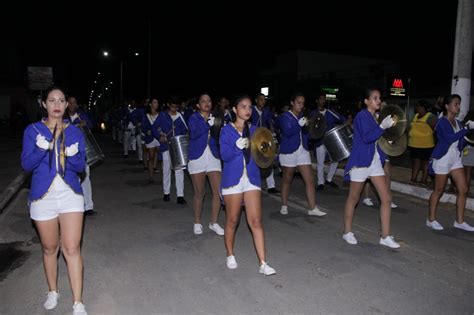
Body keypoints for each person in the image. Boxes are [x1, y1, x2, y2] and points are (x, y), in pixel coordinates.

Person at [21, 86, 88, 314]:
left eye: (61, 100)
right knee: (50, 248)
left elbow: (81, 167)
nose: (57, 104)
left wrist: (72, 156)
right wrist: (41, 149)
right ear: (44, 104)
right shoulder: (32, 130)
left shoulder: (76, 131)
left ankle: (78, 302)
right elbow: (26, 165)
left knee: (72, 248)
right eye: (52, 100)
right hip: (43, 196)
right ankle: (53, 291)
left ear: (66, 104)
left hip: (70, 194)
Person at [220, 94, 276, 275]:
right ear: (235, 110)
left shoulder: (255, 131)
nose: (248, 110)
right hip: (233, 180)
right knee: (232, 220)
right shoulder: (226, 131)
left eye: (250, 107)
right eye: (243, 106)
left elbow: (264, 157)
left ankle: (263, 263)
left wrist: (268, 147)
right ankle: (230, 254)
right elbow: (225, 156)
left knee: (256, 221)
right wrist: (237, 146)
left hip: (251, 178)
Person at [342, 88, 400, 248]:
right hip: (361, 161)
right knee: (354, 198)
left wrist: (387, 138)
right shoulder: (362, 116)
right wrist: (382, 127)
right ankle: (347, 232)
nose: (378, 101)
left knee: (386, 198)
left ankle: (385, 236)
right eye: (375, 98)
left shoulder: (376, 117)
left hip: (374, 162)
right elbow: (367, 137)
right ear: (366, 101)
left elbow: (377, 138)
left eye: (379, 98)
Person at [427, 94, 474, 231]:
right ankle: (431, 219)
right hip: (443, 158)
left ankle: (459, 221)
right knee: (439, 189)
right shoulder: (442, 122)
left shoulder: (458, 122)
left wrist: (470, 134)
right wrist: (467, 129)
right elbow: (449, 139)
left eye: (459, 104)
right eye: (456, 104)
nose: (458, 106)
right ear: (447, 106)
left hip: (455, 158)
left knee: (463, 189)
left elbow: (462, 140)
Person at [277, 92, 326, 216]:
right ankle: (284, 204)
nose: (301, 105)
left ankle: (312, 208)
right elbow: (288, 132)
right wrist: (299, 124)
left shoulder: (304, 117)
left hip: (303, 151)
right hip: (289, 151)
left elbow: (308, 135)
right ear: (292, 103)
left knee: (310, 179)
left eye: (303, 103)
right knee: (287, 179)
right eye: (298, 102)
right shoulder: (285, 116)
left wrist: (313, 129)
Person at [187, 93, 225, 235]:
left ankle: (214, 222)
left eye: (209, 100)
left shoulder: (216, 117)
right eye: (203, 101)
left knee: (218, 192)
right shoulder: (193, 117)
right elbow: (194, 133)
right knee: (199, 192)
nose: (206, 103)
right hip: (197, 157)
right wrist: (206, 124)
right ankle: (197, 222)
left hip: (213, 156)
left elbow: (221, 134)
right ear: (198, 105)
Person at [66, 96, 96, 216]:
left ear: (77, 105)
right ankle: (73, 206)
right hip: (67, 153)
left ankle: (88, 206)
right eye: (70, 103)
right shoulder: (63, 117)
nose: (72, 105)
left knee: (85, 177)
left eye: (74, 103)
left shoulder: (82, 115)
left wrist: (86, 124)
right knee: (69, 179)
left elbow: (92, 126)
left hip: (82, 152)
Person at [156, 97, 188, 204]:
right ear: (169, 105)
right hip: (166, 146)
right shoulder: (162, 115)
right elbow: (155, 127)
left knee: (179, 170)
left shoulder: (180, 117)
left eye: (176, 107)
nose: (174, 109)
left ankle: (180, 195)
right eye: (172, 106)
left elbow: (186, 131)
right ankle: (166, 193)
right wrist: (160, 135)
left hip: (177, 146)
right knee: (166, 169)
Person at [311, 93, 346, 190]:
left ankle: (329, 179)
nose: (322, 101)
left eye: (324, 99)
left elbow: (341, 119)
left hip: (331, 140)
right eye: (320, 99)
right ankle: (320, 182)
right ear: (317, 101)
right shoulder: (313, 114)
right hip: (320, 141)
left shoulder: (330, 112)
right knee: (320, 162)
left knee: (336, 159)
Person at [250, 93, 279, 194]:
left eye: (264, 100)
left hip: (264, 139)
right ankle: (253, 185)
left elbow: (270, 123)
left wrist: (272, 133)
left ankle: (271, 186)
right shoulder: (251, 110)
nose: (263, 101)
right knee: (254, 161)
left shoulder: (266, 111)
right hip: (253, 139)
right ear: (256, 100)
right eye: (261, 99)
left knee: (268, 160)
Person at [408, 100, 437, 186]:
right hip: (414, 144)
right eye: (417, 107)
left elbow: (436, 129)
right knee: (415, 162)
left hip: (426, 145)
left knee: (425, 162)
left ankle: (423, 180)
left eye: (419, 107)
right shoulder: (415, 116)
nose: (417, 108)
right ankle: (413, 179)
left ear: (424, 108)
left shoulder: (430, 117)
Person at [141, 98, 160, 182]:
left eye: (157, 102)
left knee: (162, 157)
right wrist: (147, 131)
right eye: (155, 102)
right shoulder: (146, 116)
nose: (156, 104)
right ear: (150, 104)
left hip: (159, 138)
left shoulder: (160, 115)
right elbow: (143, 127)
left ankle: (164, 176)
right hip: (150, 138)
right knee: (151, 157)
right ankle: (151, 176)